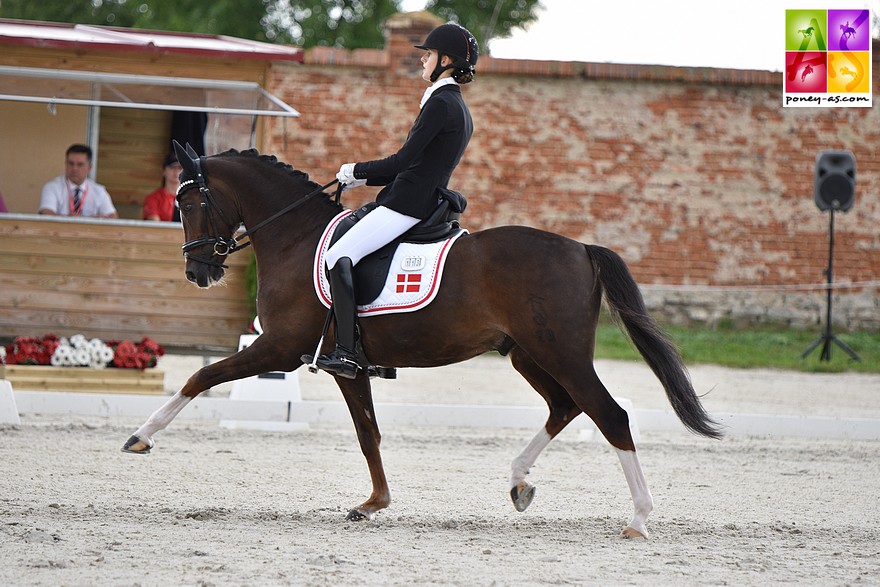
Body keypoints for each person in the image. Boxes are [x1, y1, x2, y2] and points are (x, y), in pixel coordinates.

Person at [303, 23, 478, 379]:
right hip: (420, 200)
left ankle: (348, 352)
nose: (423, 61)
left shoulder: (442, 104)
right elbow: (416, 165)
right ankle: (378, 351)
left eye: (428, 55)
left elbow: (403, 162)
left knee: (338, 255)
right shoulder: (455, 105)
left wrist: (356, 170)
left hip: (407, 205)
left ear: (445, 60)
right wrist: (361, 177)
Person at [38, 144, 118, 218]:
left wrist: (86, 220)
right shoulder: (52, 187)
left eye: (80, 165)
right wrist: (70, 219)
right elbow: (46, 213)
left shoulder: (99, 190)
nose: (74, 169)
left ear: (89, 168)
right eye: (71, 163)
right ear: (65, 164)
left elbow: (113, 217)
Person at [142, 152, 182, 221]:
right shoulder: (153, 198)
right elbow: (156, 226)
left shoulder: (190, 197)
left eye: (180, 168)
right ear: (164, 171)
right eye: (172, 167)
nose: (176, 171)